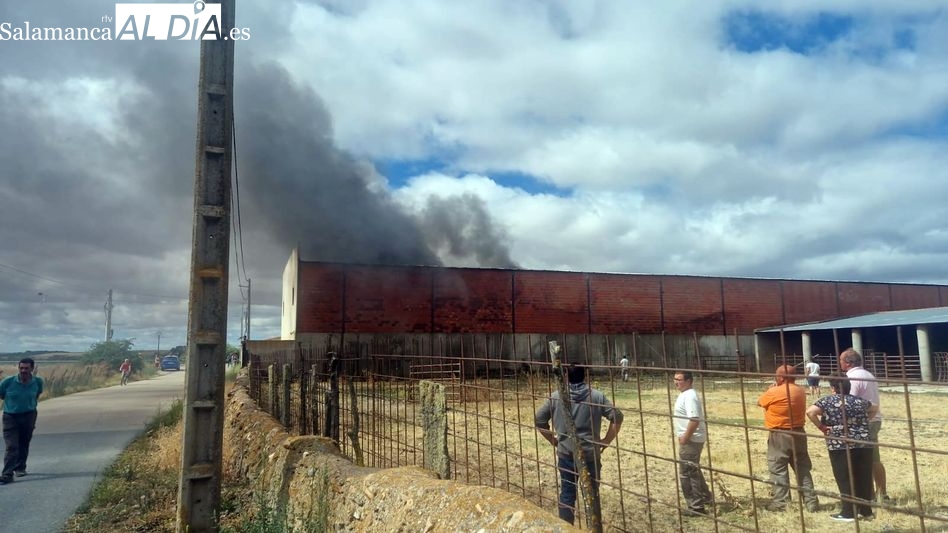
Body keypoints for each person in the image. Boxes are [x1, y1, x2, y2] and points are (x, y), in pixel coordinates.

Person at [535, 365, 624, 525]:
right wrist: (606, 440)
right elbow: (617, 416)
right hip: (590, 455)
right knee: (592, 495)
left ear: (566, 376)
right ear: (586, 376)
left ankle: (566, 527)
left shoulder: (555, 397)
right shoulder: (597, 397)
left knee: (567, 494)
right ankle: (594, 527)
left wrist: (553, 440)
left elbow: (539, 419)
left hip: (566, 454)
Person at [806, 376, 877, 522]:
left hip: (839, 444)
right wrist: (862, 421)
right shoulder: (858, 401)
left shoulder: (827, 401)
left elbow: (810, 412)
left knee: (844, 477)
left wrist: (822, 427)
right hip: (863, 442)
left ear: (833, 388)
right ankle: (865, 510)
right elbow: (874, 408)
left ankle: (849, 512)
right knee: (863, 476)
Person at [757, 365, 819, 512]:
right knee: (802, 468)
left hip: (779, 434)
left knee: (778, 468)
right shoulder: (800, 391)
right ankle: (811, 502)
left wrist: (771, 389)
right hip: (798, 432)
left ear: (781, 377)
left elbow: (760, 402)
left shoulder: (774, 391)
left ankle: (782, 503)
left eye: (777, 376)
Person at [838, 348, 889, 502]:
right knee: (874, 458)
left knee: (861, 459)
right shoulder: (868, 374)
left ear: (847, 362)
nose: (840, 363)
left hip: (861, 422)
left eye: (841, 360)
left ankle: (867, 495)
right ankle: (882, 493)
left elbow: (850, 401)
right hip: (874, 419)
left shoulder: (851, 377)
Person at [673, 371, 714, 516]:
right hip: (691, 438)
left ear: (689, 381)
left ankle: (696, 507)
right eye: (675, 379)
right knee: (693, 468)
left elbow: (694, 419)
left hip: (691, 440)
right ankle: (705, 497)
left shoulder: (690, 396)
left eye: (680, 380)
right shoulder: (684, 394)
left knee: (687, 473)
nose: (676, 382)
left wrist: (685, 437)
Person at [0, 358, 45, 484]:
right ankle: (7, 474)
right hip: (10, 416)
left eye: (26, 368)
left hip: (29, 415)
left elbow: (37, 394)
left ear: (32, 369)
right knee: (12, 446)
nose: (23, 370)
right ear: (18, 368)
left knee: (24, 442)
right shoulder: (8, 382)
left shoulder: (38, 382)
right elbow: (2, 395)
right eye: (21, 368)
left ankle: (20, 467)